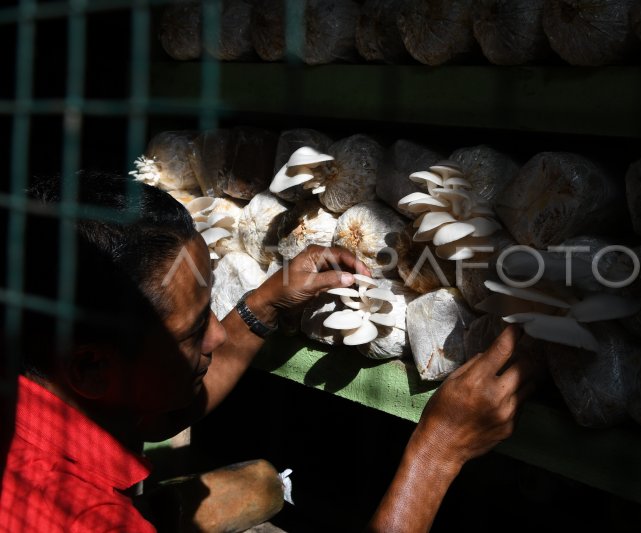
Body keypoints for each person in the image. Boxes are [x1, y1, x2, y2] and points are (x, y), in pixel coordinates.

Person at [0, 172, 537, 532]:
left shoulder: (39, 394)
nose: (215, 337)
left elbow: (157, 398)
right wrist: (436, 454)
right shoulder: (74, 516)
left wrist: (264, 305)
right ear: (91, 366)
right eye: (190, 334)